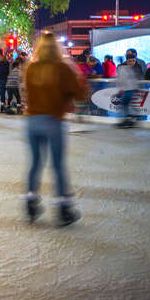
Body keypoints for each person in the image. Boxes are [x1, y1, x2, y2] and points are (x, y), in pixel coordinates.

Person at [23, 32, 89, 226]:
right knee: (57, 165)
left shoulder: (31, 68)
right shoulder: (62, 68)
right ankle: (62, 207)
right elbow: (79, 94)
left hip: (32, 121)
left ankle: (31, 200)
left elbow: (27, 94)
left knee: (35, 163)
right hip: (53, 121)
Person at [116, 51, 143, 128]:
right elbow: (121, 79)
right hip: (127, 89)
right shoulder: (123, 68)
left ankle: (131, 118)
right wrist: (120, 89)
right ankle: (131, 118)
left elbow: (137, 79)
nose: (132, 62)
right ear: (126, 61)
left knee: (125, 104)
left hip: (131, 89)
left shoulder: (137, 68)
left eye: (133, 61)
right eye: (130, 61)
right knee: (126, 104)